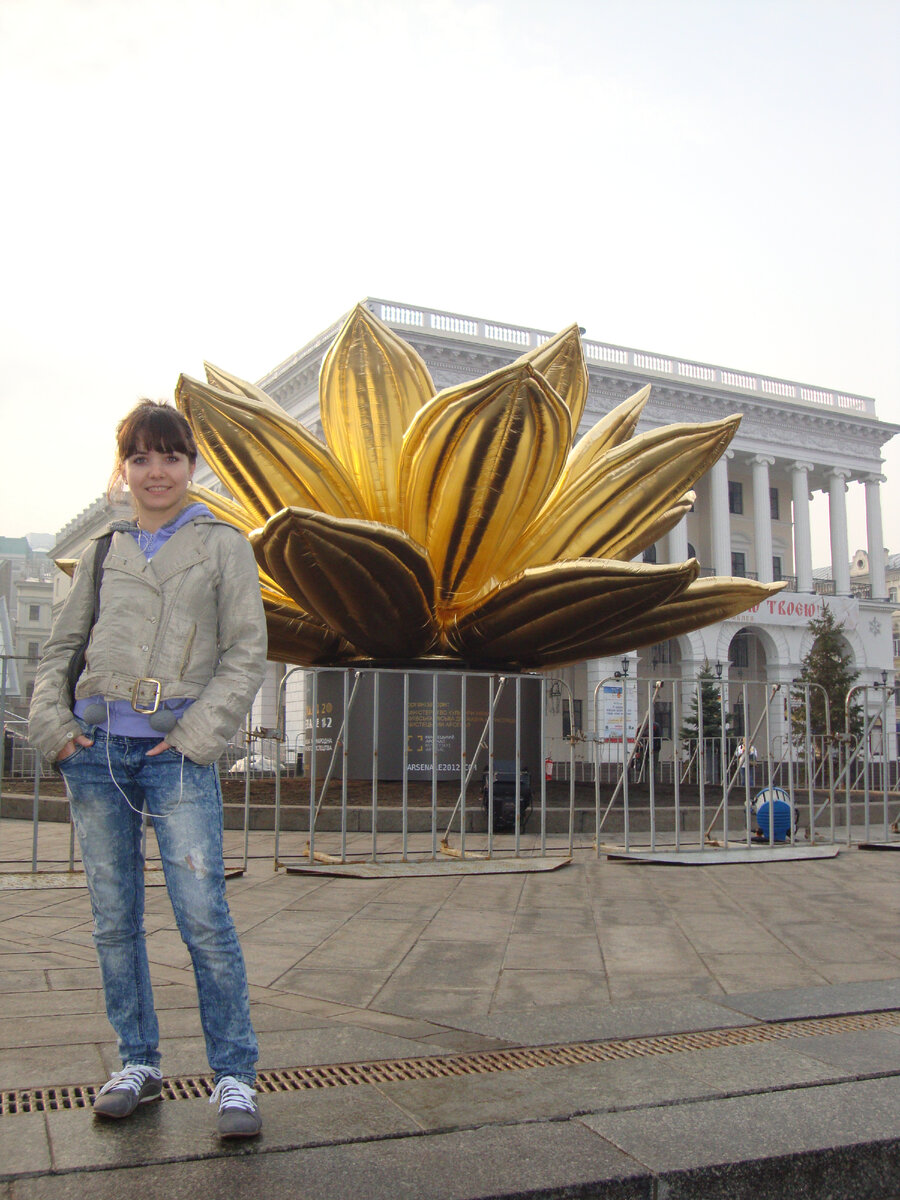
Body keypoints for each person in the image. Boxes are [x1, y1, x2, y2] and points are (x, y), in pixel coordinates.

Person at [29, 400, 268, 1139]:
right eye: (140, 457)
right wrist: (57, 733)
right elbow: (61, 649)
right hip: (96, 754)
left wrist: (197, 738)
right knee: (113, 919)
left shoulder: (223, 544)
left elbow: (245, 651)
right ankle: (137, 1061)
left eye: (169, 456)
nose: (155, 471)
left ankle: (234, 1075)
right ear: (124, 468)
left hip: (177, 756)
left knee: (203, 916)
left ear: (191, 465)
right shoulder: (104, 549)